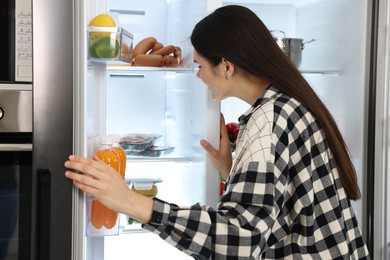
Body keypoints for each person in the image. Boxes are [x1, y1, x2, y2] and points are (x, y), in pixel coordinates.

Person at [65, 5, 370, 259]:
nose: (198, 75)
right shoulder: (286, 104)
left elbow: (241, 240)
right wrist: (233, 170)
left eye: (200, 66)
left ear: (226, 67)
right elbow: (289, 200)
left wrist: (132, 202)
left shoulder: (269, 120)